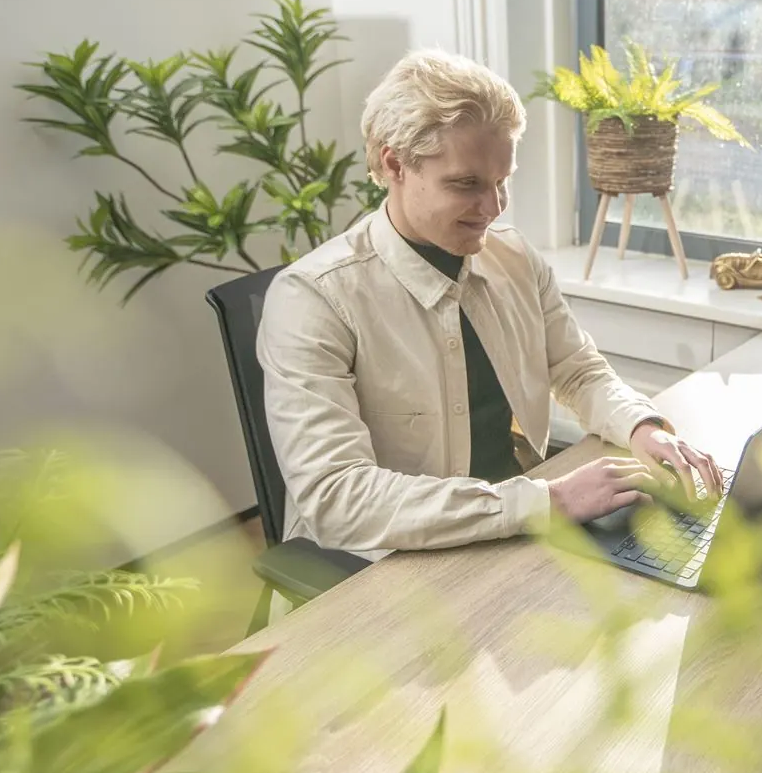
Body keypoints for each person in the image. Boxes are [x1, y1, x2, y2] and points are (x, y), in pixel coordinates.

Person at [257, 48, 723, 553]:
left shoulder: (515, 257)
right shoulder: (313, 299)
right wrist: (550, 501)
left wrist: (642, 427)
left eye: (502, 181)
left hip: (511, 527)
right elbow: (336, 498)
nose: (494, 206)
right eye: (466, 184)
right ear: (394, 164)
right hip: (382, 561)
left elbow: (577, 369)